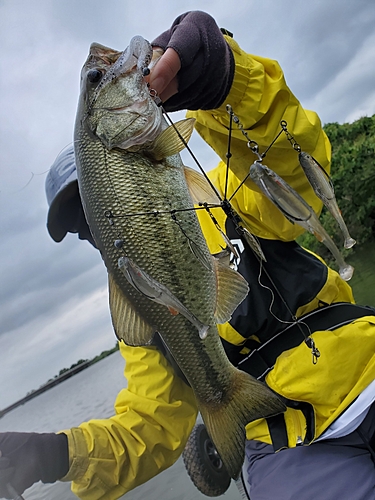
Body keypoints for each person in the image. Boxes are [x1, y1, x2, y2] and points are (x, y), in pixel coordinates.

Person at [1, 10, 375, 500]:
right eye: (81, 219)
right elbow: (149, 424)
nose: (95, 217)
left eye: (91, 192)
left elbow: (301, 185)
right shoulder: (135, 306)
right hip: (285, 442)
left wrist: (228, 82)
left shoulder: (224, 194)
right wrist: (56, 454)